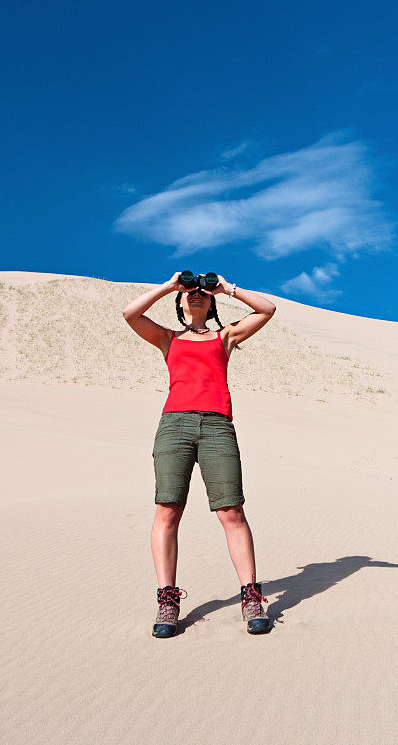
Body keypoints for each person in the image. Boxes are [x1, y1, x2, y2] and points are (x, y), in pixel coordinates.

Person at [121, 272, 277, 637]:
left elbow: (267, 309)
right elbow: (130, 314)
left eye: (203, 294)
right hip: (174, 426)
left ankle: (251, 596)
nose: (197, 296)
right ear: (179, 302)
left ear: (212, 302)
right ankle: (167, 601)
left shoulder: (225, 337)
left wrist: (228, 288)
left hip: (217, 426)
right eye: (190, 293)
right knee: (168, 509)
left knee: (231, 510)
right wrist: (170, 285)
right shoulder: (168, 339)